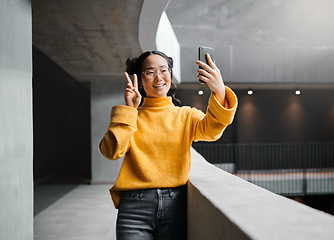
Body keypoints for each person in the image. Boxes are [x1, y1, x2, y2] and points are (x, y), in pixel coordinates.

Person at [99, 50, 238, 240]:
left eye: (164, 70)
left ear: (170, 75)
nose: (159, 77)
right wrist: (130, 110)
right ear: (140, 80)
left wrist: (219, 90)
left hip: (175, 205)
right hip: (134, 208)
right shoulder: (131, 117)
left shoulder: (185, 115)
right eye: (150, 72)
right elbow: (111, 151)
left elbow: (212, 131)